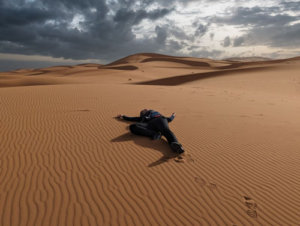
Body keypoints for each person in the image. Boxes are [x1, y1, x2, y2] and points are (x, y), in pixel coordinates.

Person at [117, 109, 185, 154]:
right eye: (143, 110)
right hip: (150, 124)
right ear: (142, 114)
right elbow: (132, 118)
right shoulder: (143, 117)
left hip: (160, 120)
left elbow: (169, 119)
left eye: (145, 109)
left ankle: (176, 146)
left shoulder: (156, 113)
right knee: (133, 126)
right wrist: (123, 116)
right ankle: (154, 134)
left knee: (166, 131)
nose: (145, 109)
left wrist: (173, 115)